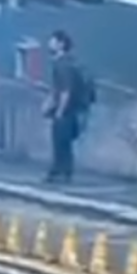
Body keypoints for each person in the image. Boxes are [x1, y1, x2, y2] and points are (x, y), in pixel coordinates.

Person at [43, 29, 93, 183]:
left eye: (52, 41)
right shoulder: (69, 62)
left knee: (60, 142)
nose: (49, 43)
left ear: (61, 44)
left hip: (67, 110)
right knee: (64, 142)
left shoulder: (62, 64)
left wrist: (59, 110)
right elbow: (56, 90)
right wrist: (48, 104)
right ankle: (63, 172)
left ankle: (59, 172)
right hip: (74, 109)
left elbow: (65, 90)